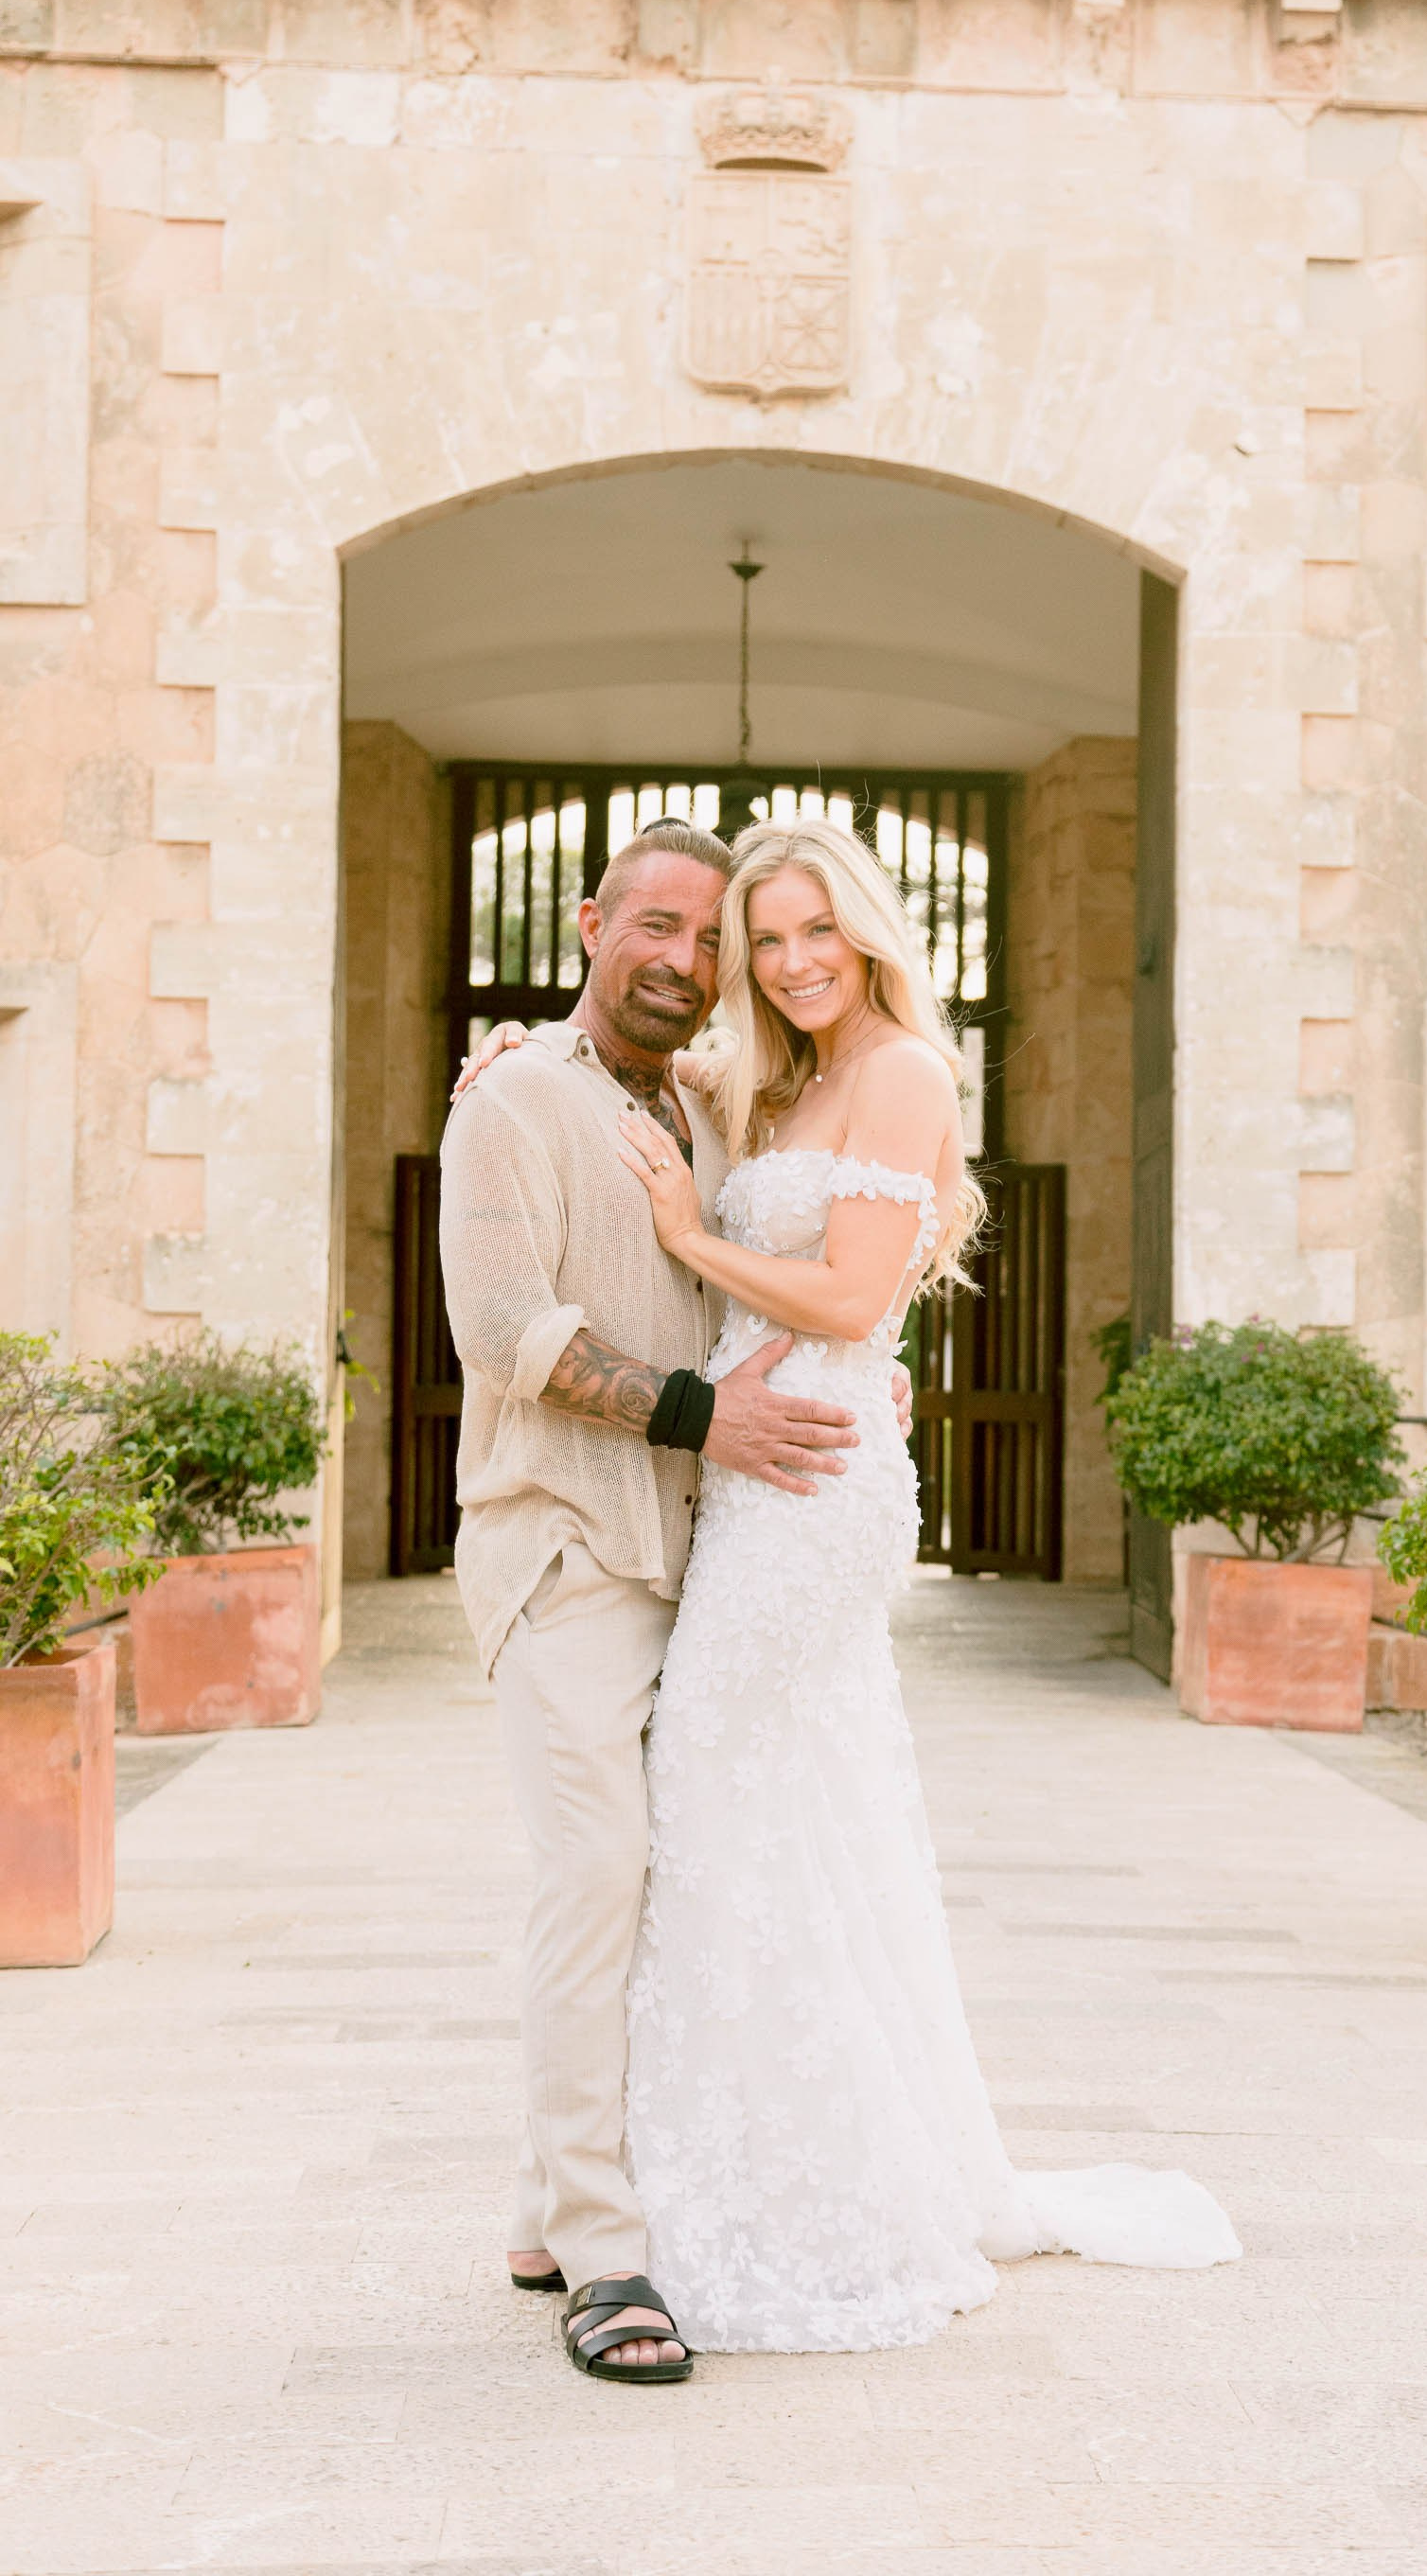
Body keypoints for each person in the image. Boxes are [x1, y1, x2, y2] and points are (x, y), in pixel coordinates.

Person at [603, 817, 1239, 2352]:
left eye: (816, 929)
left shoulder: (894, 1069)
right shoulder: (778, 1074)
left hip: (814, 1483)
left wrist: (691, 1229)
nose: (792, 959)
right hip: (763, 1467)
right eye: (765, 940)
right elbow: (612, 1059)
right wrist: (507, 1066)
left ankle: (800, 2190)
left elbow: (853, 1292)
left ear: (870, 927)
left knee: (718, 1776)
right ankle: (748, 2164)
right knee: (780, 1801)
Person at [437, 820, 890, 2384]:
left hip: (695, 1568)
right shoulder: (511, 1100)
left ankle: (538, 2204)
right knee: (598, 1872)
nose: (689, 964)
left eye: (716, 944)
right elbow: (503, 1325)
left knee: (659, 1880)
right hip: (562, 1546)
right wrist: (705, 1419)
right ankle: (609, 2258)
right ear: (588, 923)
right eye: (664, 928)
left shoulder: (699, 1102)